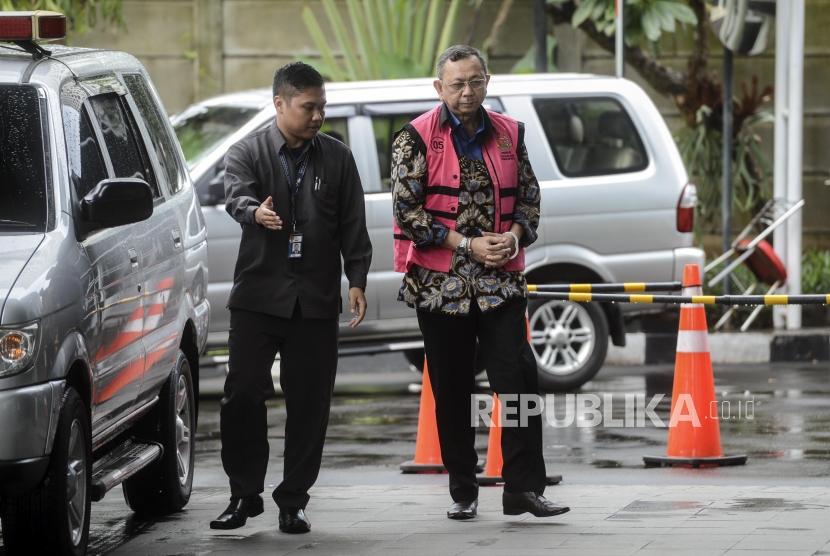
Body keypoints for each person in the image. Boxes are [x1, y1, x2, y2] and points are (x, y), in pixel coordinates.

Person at [391, 45, 569, 520]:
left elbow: (529, 199)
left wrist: (512, 237)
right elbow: (407, 214)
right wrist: (467, 245)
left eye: (475, 82)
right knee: (451, 390)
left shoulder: (511, 133)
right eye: (456, 84)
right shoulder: (414, 137)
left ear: (488, 81)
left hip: (501, 284)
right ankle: (463, 490)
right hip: (440, 285)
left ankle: (523, 489)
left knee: (518, 382)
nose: (467, 92)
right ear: (439, 88)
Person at [210, 62, 372, 534]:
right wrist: (253, 213)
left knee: (310, 401)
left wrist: (356, 278)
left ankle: (293, 500)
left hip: (315, 299)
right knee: (241, 394)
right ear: (279, 103)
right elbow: (234, 195)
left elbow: (352, 224)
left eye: (322, 106)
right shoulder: (248, 152)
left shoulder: (337, 158)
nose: (318, 115)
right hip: (259, 295)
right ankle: (244, 494)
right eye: (308, 107)